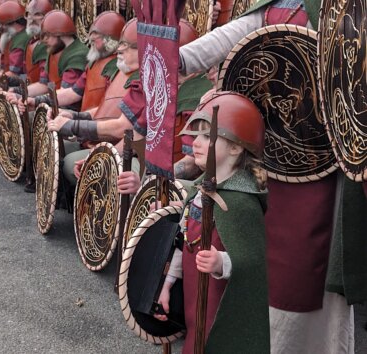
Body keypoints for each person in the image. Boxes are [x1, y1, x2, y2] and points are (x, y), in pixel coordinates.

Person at [178, 1, 360, 353]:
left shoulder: (344, 8)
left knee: (305, 269)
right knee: (255, 251)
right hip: (269, 150)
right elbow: (234, 34)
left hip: (320, 157)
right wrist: (178, 58)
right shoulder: (275, 5)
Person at [153, 91, 269, 353]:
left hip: (221, 308)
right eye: (196, 136)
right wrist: (168, 285)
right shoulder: (198, 191)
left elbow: (254, 264)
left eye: (208, 136)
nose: (195, 143)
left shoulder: (241, 202)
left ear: (236, 147)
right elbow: (186, 243)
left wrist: (222, 263)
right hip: (195, 301)